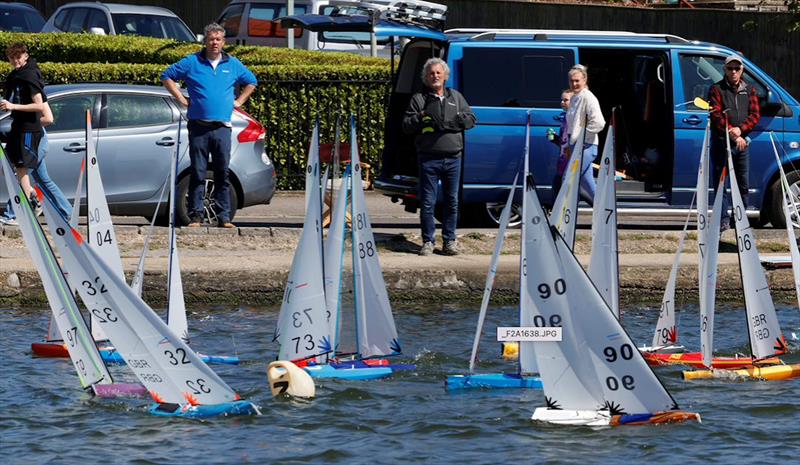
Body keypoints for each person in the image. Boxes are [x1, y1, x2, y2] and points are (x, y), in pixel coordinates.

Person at [162, 23, 257, 228]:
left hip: (222, 127)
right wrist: (180, 98)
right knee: (198, 171)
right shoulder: (192, 62)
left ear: (223, 42)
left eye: (218, 39)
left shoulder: (232, 64)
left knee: (222, 171)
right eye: (211, 39)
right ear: (205, 41)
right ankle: (196, 215)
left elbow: (251, 81)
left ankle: (224, 216)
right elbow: (167, 76)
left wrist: (239, 101)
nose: (215, 43)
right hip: (198, 126)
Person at [403, 58, 476, 256]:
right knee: (428, 202)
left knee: (452, 201)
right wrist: (422, 115)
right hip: (429, 158)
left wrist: (462, 120)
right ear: (426, 77)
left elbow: (471, 119)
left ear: (445, 76)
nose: (435, 76)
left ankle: (449, 242)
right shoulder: (419, 99)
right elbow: (407, 124)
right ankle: (428, 241)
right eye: (431, 73)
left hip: (454, 158)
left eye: (438, 73)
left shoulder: (456, 97)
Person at [708, 54, 760, 233]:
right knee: (721, 183)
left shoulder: (750, 90)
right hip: (722, 144)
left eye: (737, 68)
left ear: (742, 70)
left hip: (742, 144)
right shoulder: (716, 89)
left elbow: (755, 115)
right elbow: (716, 116)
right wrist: (733, 134)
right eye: (730, 68)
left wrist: (741, 130)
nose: (734, 72)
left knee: (742, 184)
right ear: (725, 70)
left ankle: (740, 218)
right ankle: (723, 220)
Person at [1, 100, 73, 225]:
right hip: (25, 139)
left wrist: (26, 126)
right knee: (42, 179)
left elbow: (49, 118)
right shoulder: (18, 92)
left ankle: (12, 214)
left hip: (34, 140)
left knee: (21, 176)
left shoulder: (33, 92)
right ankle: (65, 210)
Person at [1, 42, 47, 215]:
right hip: (17, 127)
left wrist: (13, 106)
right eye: (12, 59)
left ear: (26, 56)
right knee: (7, 169)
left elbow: (39, 106)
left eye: (18, 58)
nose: (15, 62)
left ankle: (32, 203)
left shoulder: (29, 76)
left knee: (21, 168)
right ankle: (33, 196)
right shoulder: (16, 76)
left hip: (28, 129)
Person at [565, 64, 605, 205]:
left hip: (586, 146)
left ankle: (563, 220)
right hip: (577, 146)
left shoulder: (588, 97)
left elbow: (599, 123)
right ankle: (605, 213)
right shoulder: (575, 97)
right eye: (571, 81)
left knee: (568, 178)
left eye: (577, 80)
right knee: (587, 184)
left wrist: (583, 137)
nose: (574, 84)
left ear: (585, 80)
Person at [549, 89, 573, 199]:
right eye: (561, 100)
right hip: (562, 161)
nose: (562, 102)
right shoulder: (565, 118)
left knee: (558, 187)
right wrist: (555, 139)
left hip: (568, 160)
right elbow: (563, 142)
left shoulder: (572, 119)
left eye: (566, 100)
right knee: (557, 187)